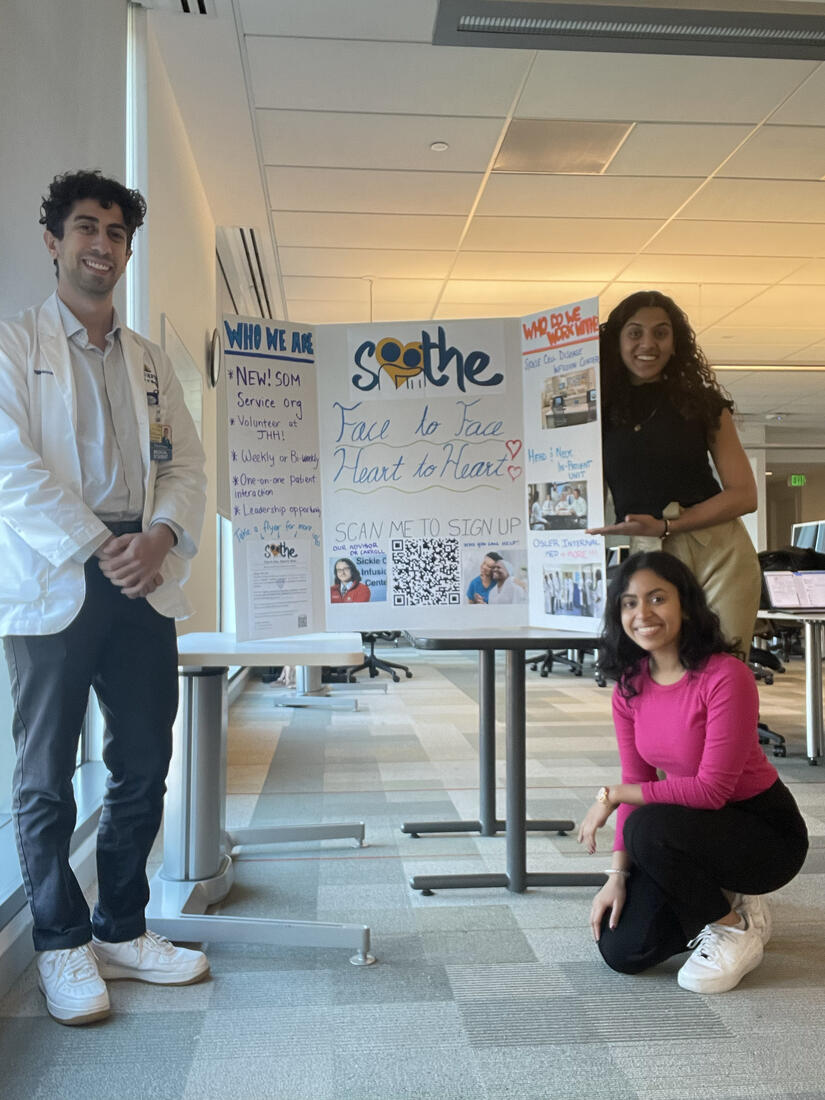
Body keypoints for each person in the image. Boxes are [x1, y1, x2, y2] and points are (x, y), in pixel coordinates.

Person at [0, 171, 208, 1025]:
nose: (102, 245)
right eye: (86, 228)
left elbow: (187, 466)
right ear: (54, 241)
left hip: (141, 573)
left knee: (141, 766)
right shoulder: (15, 347)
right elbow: (9, 467)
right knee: (47, 775)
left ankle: (121, 927)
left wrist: (157, 538)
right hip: (58, 574)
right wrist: (97, 546)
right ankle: (59, 942)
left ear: (127, 249)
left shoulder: (151, 362)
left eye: (116, 233)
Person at [577, 552, 807, 994]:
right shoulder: (630, 685)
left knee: (649, 825)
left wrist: (613, 795)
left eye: (657, 598)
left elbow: (712, 791)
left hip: (763, 833)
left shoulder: (726, 676)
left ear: (685, 603)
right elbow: (637, 775)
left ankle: (736, 927)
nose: (642, 613)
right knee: (622, 949)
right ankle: (718, 892)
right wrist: (617, 876)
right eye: (628, 602)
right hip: (690, 827)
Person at [588, 290, 761, 655]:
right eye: (635, 333)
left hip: (718, 550)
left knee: (722, 667)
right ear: (617, 340)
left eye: (661, 333)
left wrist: (668, 526)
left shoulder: (703, 405)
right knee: (653, 671)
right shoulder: (594, 412)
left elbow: (745, 494)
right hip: (647, 554)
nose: (647, 343)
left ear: (674, 342)